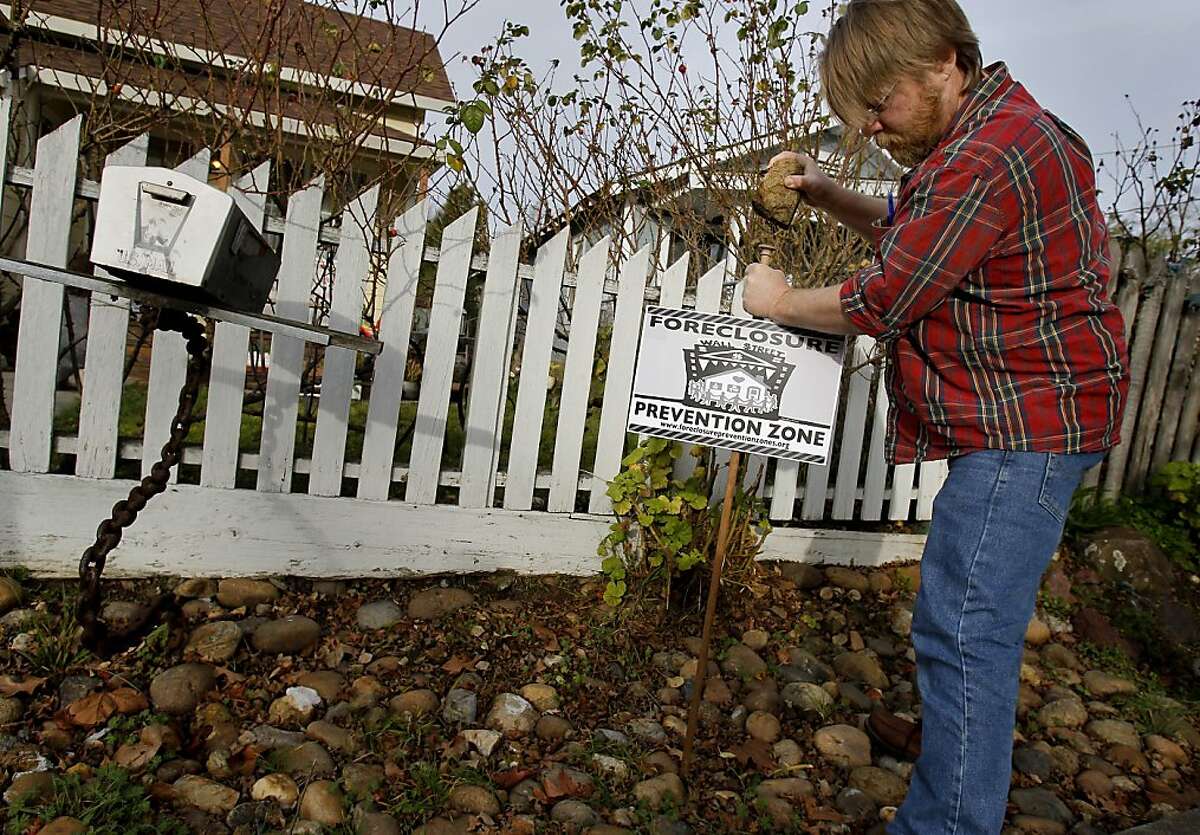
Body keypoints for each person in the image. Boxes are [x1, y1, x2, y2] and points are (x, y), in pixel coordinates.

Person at [740, 1, 1130, 833]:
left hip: (1027, 426)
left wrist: (777, 300)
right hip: (1034, 413)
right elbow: (921, 230)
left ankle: (949, 819)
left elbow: (887, 293)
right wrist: (827, 192)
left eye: (881, 104)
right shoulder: (996, 135)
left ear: (947, 62)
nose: (873, 125)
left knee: (963, 632)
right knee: (964, 626)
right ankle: (960, 768)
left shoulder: (988, 156)